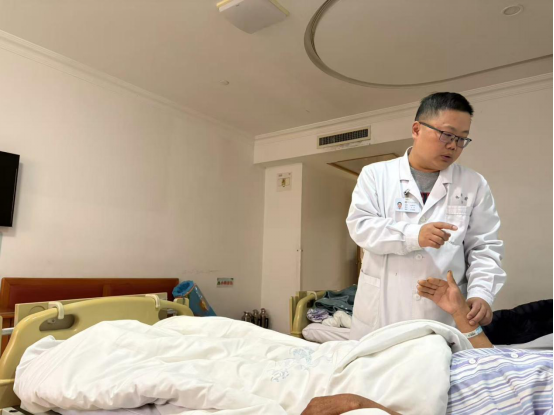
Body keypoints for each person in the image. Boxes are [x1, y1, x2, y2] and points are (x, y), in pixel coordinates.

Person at [346, 92, 507, 340]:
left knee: (439, 362)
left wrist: (481, 293)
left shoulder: (473, 184)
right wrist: (413, 235)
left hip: (441, 316)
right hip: (383, 312)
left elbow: (483, 247)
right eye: (447, 134)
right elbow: (361, 226)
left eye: (461, 139)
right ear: (416, 129)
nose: (453, 145)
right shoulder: (375, 175)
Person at [302, 272, 553, 415]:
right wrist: (459, 312)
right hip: (408, 360)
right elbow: (497, 367)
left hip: (402, 394)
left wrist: (364, 406)